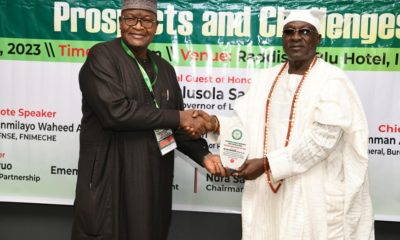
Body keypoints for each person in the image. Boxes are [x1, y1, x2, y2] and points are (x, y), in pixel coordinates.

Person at [189, 9, 375, 240]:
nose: (296, 37)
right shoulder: (265, 77)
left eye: (304, 31)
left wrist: (267, 164)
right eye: (289, 31)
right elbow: (245, 124)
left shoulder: (332, 80)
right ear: (283, 39)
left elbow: (321, 140)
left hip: (311, 191)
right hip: (266, 192)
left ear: (318, 39)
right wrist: (215, 124)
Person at [70, 0, 226, 239]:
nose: (139, 26)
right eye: (131, 18)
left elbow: (177, 126)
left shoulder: (164, 68)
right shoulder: (102, 56)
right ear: (121, 22)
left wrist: (203, 155)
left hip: (153, 182)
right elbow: (115, 113)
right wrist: (179, 116)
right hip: (110, 178)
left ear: (156, 26)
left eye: (147, 20)